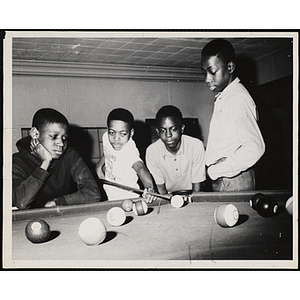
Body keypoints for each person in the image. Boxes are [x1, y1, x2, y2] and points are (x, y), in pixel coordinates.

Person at [201, 39, 265, 191]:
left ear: (230, 67)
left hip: (234, 179)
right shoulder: (227, 96)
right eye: (204, 73)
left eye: (212, 71)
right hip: (227, 178)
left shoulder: (237, 98)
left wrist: (216, 170)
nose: (207, 79)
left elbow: (255, 148)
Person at [13, 108, 101, 209]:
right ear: (35, 134)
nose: (61, 143)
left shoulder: (70, 155)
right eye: (54, 136)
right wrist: (45, 163)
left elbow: (94, 193)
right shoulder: (18, 161)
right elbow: (21, 203)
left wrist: (57, 202)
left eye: (64, 138)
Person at [95, 108, 156, 202]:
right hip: (110, 195)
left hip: (129, 198)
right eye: (112, 132)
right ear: (107, 130)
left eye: (123, 134)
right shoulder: (106, 138)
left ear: (131, 133)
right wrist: (99, 166)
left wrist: (149, 187)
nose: (116, 139)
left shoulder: (130, 150)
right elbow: (108, 152)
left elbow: (141, 168)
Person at [145, 105, 206, 198]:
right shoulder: (152, 151)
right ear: (157, 131)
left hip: (191, 194)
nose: (168, 135)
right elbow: (161, 189)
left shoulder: (196, 146)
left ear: (182, 128)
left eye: (173, 129)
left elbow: (197, 187)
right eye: (162, 130)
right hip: (168, 196)